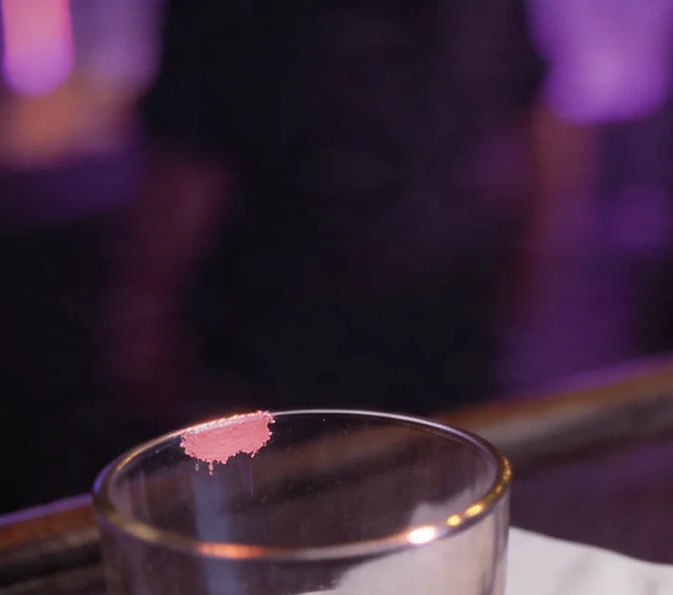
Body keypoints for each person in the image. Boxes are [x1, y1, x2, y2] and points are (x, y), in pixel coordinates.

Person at [107, 0, 542, 422]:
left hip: (296, 319)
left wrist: (145, 310)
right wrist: (531, 256)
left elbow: (187, 162)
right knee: (443, 477)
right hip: (420, 303)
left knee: (294, 484)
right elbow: (531, 120)